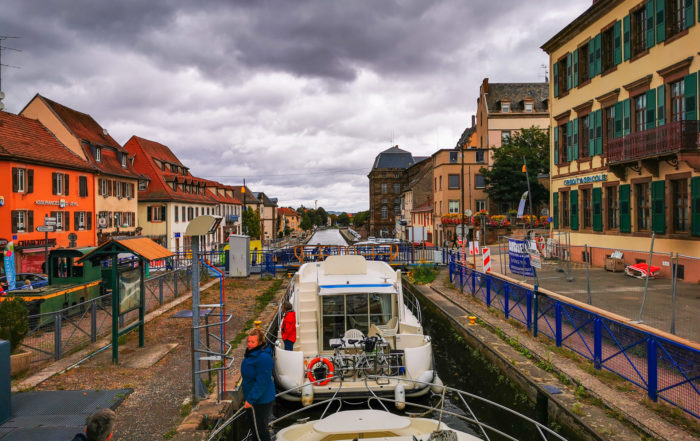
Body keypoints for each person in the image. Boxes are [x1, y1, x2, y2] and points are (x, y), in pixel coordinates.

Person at [241, 327, 275, 441]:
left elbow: (262, 382)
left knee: (261, 430)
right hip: (252, 398)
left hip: (260, 400)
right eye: (248, 341)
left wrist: (250, 399)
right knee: (254, 429)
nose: (249, 344)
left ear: (260, 343)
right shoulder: (252, 353)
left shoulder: (263, 358)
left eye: (252, 342)